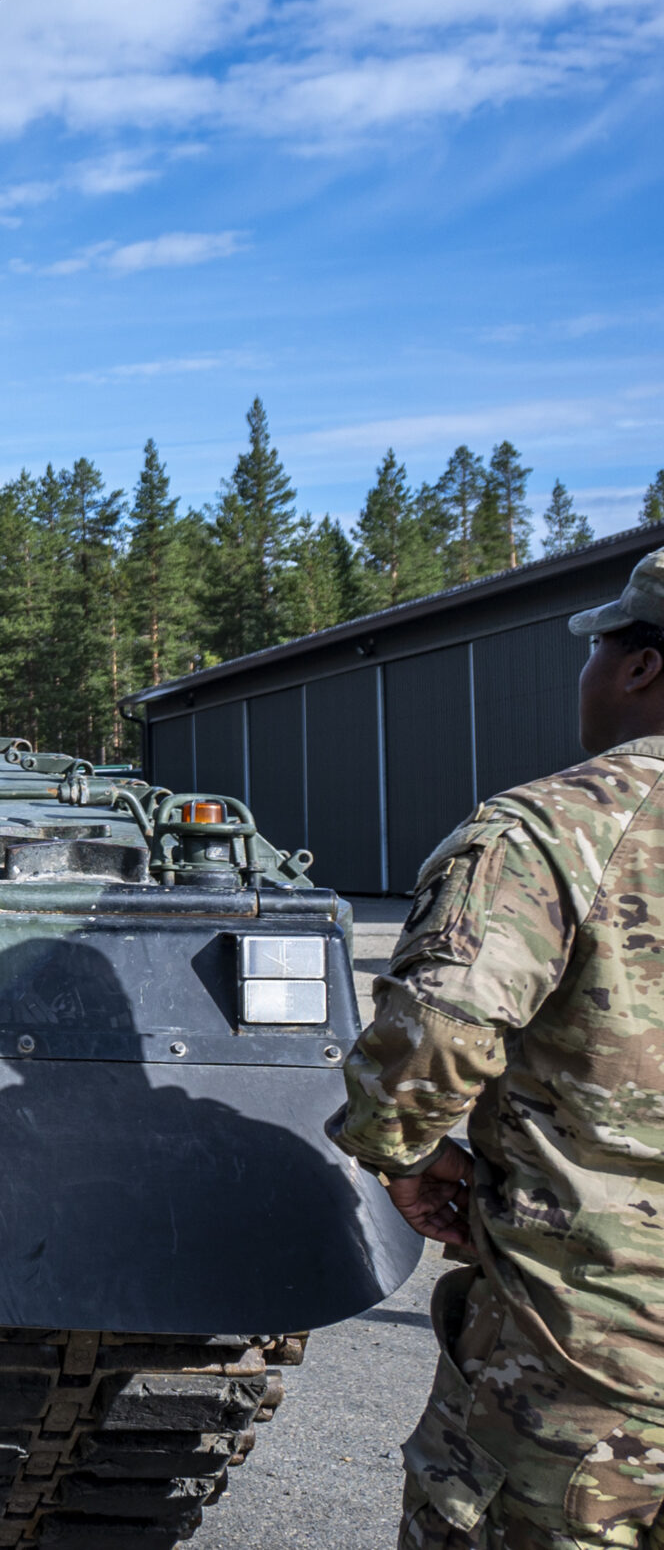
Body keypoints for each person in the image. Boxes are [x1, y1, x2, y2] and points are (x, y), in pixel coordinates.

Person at [337, 548, 664, 1550]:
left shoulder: (553, 835)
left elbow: (433, 1034)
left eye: (599, 645)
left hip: (589, 1395)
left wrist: (402, 1152)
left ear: (639, 666)